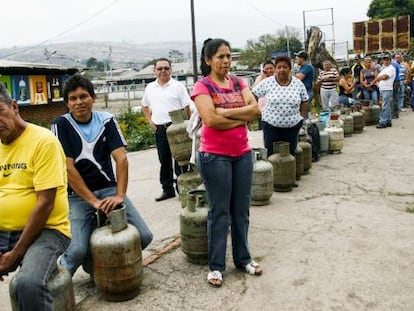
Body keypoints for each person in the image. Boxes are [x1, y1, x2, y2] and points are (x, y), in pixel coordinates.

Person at [51, 74, 153, 276]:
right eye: (73, 99)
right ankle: (53, 288)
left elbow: (121, 158)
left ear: (93, 98)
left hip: (109, 190)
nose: (79, 102)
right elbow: (67, 167)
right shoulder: (60, 125)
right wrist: (93, 201)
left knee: (143, 236)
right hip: (77, 196)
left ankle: (109, 267)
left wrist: (119, 195)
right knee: (77, 251)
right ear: (67, 103)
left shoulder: (106, 120)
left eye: (83, 96)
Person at [191, 38, 262, 288]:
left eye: (228, 56)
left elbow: (255, 110)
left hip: (242, 154)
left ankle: (243, 259)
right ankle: (217, 267)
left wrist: (225, 113)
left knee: (241, 210)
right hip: (214, 157)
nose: (226, 61)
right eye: (220, 56)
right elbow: (210, 120)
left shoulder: (239, 82)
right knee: (219, 211)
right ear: (208, 60)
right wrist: (239, 117)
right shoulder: (202, 86)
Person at [0, 82, 71, 310]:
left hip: (48, 229)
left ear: (14, 107)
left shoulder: (43, 141)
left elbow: (45, 203)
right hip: (4, 230)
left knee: (28, 283)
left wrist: (16, 253)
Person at [141, 58, 192, 201]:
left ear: (171, 69)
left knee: (181, 160)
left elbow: (187, 107)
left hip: (177, 127)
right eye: (159, 68)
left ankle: (183, 189)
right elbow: (144, 106)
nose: (163, 71)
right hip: (161, 129)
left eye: (166, 68)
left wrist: (190, 125)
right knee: (164, 160)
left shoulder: (178, 86)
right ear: (154, 71)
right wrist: (150, 121)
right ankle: (167, 189)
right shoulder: (150, 87)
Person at [253, 55, 309, 158]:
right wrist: (255, 111)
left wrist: (301, 117)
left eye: (285, 67)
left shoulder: (298, 84)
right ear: (275, 69)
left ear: (290, 69)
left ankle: (289, 173)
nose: (282, 70)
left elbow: (305, 100)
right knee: (271, 153)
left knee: (290, 154)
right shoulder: (267, 83)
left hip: (292, 126)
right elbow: (253, 95)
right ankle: (273, 173)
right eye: (279, 67)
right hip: (270, 125)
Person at [370, 54, 396, 129]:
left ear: (390, 60)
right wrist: (379, 78)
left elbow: (385, 77)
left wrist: (379, 78)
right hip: (383, 88)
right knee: (386, 105)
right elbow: (379, 77)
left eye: (387, 60)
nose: (386, 61)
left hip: (387, 89)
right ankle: (388, 121)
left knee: (384, 106)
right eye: (384, 60)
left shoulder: (391, 68)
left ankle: (383, 122)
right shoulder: (384, 68)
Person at [295, 50, 315, 115]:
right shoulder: (302, 67)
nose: (296, 59)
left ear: (302, 58)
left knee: (304, 112)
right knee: (302, 111)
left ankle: (306, 124)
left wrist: (292, 75)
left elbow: (299, 78)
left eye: (297, 58)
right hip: (303, 92)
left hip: (307, 92)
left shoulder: (307, 67)